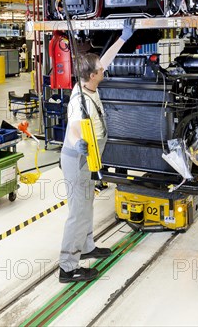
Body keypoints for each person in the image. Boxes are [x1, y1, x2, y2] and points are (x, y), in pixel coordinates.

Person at [59, 19, 135, 283]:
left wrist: (123, 38)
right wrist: (78, 143)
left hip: (88, 159)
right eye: (100, 70)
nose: (104, 70)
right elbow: (73, 127)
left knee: (87, 203)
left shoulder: (89, 84)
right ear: (92, 75)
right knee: (78, 211)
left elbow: (106, 59)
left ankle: (87, 246)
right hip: (78, 158)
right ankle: (67, 266)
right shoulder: (80, 99)